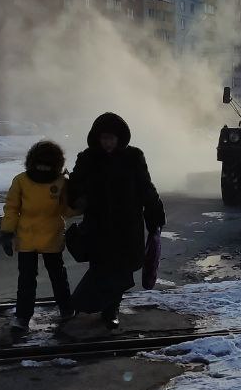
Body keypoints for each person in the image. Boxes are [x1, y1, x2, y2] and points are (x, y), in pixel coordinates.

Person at [63, 112, 165, 331]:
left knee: (121, 270)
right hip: (98, 225)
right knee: (100, 267)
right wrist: (76, 194)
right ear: (97, 139)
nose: (107, 143)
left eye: (111, 138)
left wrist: (154, 213)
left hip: (127, 225)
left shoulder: (133, 157)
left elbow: (146, 187)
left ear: (119, 138)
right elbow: (75, 187)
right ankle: (96, 305)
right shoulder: (88, 158)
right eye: (103, 138)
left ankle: (111, 310)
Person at [1, 140, 73, 340]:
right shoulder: (21, 181)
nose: (42, 168)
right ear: (32, 162)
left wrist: (79, 199)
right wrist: (7, 232)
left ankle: (67, 311)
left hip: (51, 236)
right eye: (39, 163)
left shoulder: (61, 183)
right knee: (26, 280)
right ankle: (22, 318)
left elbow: (66, 210)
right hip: (27, 238)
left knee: (58, 277)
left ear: (56, 165)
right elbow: (12, 208)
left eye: (47, 165)